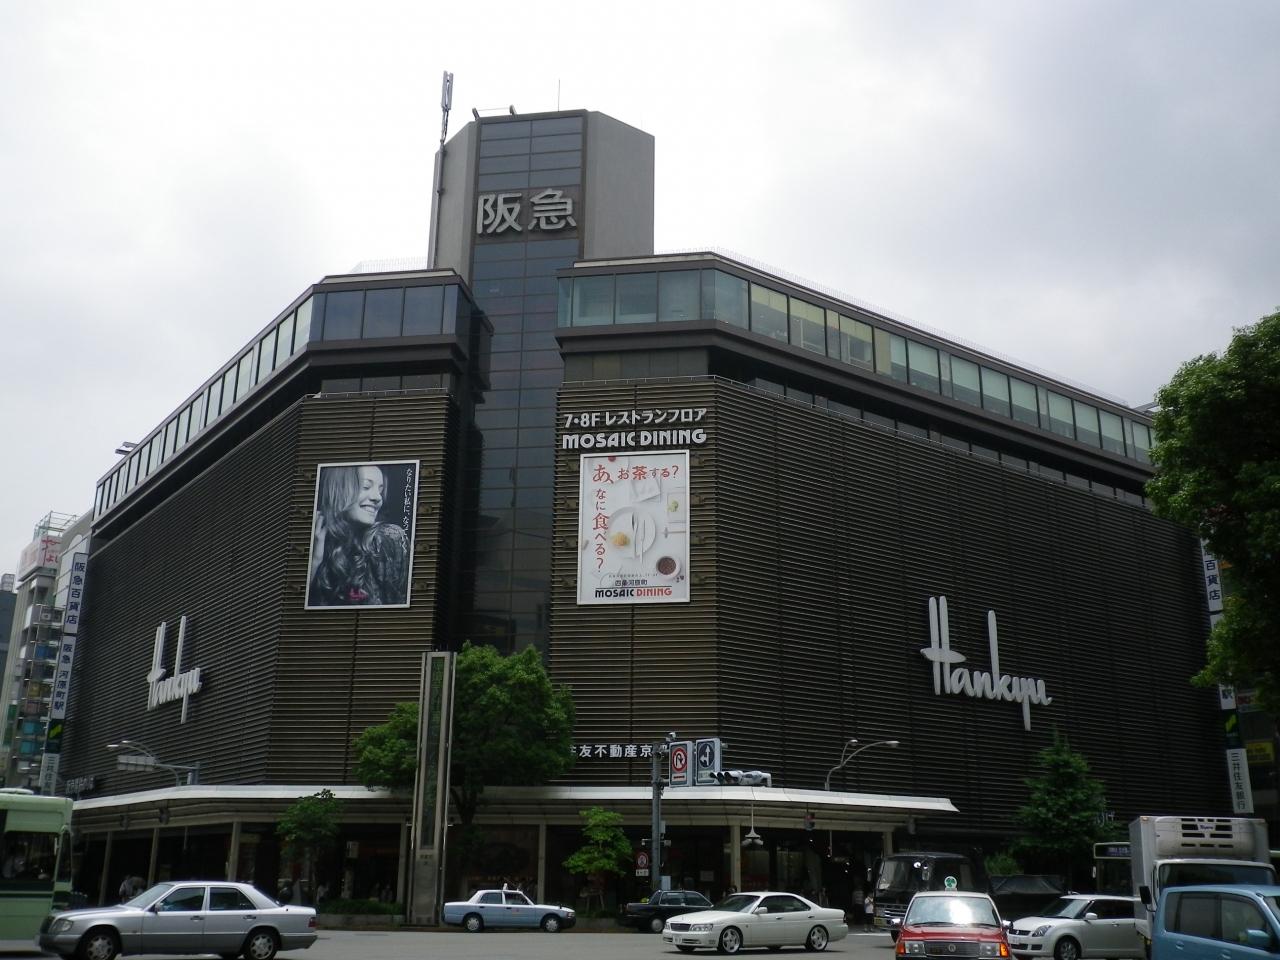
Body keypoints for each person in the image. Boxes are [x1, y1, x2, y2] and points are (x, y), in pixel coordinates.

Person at [308, 464, 410, 607]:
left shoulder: (389, 539)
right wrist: (314, 561)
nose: (378, 498)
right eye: (366, 487)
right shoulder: (317, 540)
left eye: (380, 490)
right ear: (338, 489)